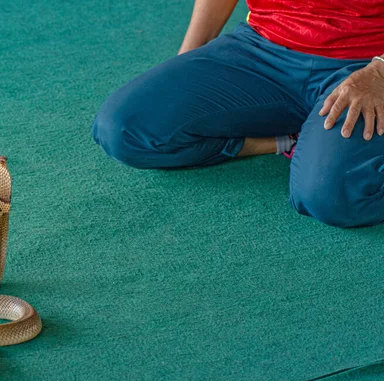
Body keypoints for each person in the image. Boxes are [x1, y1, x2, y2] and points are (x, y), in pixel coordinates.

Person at [91, 0, 384, 228]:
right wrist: (187, 61)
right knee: (124, 129)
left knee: (331, 197)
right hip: (260, 48)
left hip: (366, 66)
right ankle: (286, 140)